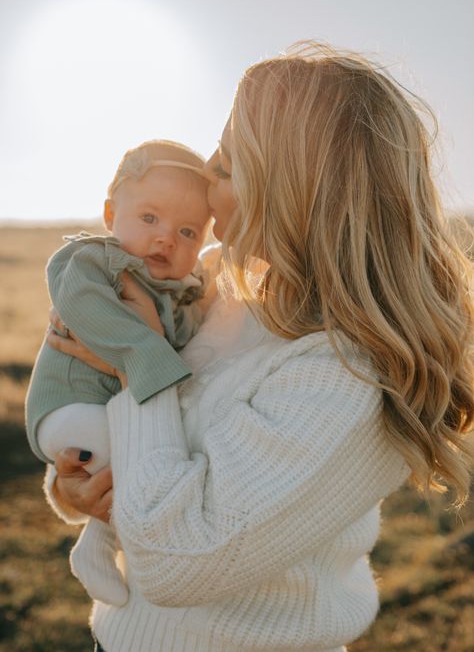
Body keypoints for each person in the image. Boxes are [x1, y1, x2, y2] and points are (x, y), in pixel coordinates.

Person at [45, 42, 473, 652]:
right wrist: (79, 485)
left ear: (290, 188)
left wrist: (141, 356)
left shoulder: (349, 372)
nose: (206, 187)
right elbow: (150, 455)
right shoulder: (221, 283)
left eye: (224, 167)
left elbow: (176, 559)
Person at [25, 139, 211, 607]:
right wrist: (151, 359)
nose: (167, 237)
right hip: (72, 406)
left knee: (141, 459)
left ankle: (96, 546)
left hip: (97, 417)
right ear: (111, 216)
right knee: (146, 454)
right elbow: (87, 310)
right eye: (150, 218)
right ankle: (97, 547)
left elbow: (180, 335)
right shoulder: (93, 261)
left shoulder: (176, 291)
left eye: (188, 231)